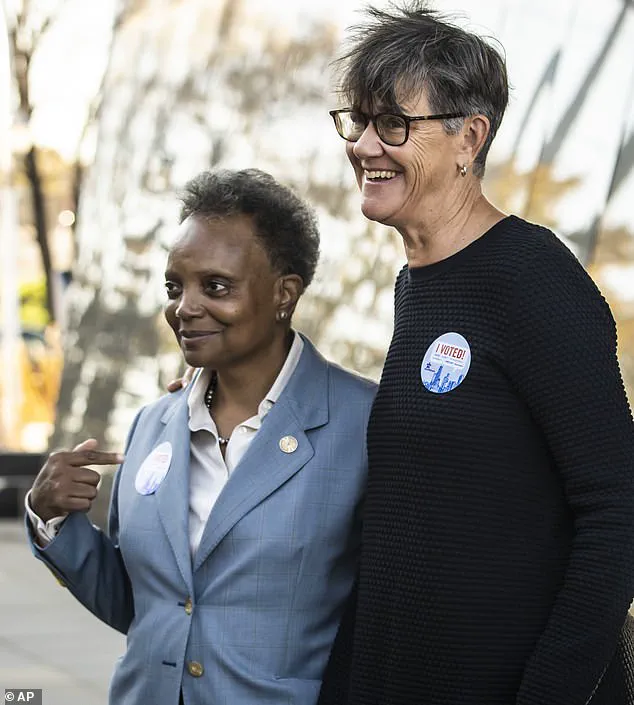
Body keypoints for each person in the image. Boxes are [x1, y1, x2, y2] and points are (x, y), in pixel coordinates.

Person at [315, 3, 634, 705]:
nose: (364, 146)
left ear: (470, 137)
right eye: (357, 122)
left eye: (393, 123)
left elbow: (616, 511)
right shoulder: (415, 284)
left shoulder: (533, 278)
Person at [25, 168, 376, 705]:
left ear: (284, 293)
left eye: (215, 286)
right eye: (175, 287)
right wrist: (51, 519)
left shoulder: (364, 423)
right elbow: (145, 608)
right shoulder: (152, 424)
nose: (184, 308)